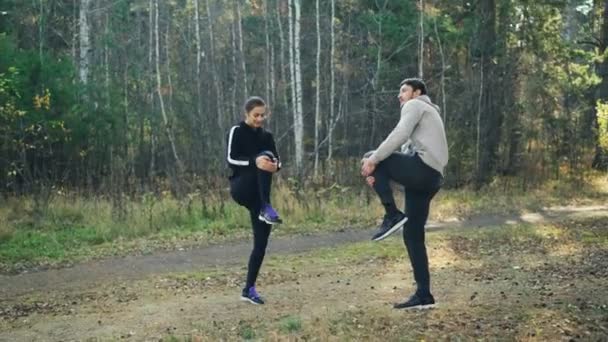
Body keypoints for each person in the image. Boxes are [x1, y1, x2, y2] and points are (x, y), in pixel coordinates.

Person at [361, 78, 448, 309]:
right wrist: (379, 175)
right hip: (431, 178)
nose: (399, 96)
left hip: (424, 169)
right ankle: (424, 295)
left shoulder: (415, 105)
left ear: (417, 92)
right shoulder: (430, 113)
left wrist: (373, 161)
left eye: (404, 91)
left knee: (372, 155)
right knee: (412, 234)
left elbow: (399, 133)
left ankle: (391, 214)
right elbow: (402, 161)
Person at [226, 96, 282, 305]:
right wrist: (255, 161)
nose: (260, 119)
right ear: (246, 114)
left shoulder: (267, 135)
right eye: (256, 115)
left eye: (262, 115)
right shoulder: (237, 131)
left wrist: (274, 166)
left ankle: (248, 289)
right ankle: (266, 207)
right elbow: (230, 159)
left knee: (261, 242)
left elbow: (278, 162)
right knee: (263, 157)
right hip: (241, 187)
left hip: (258, 194)